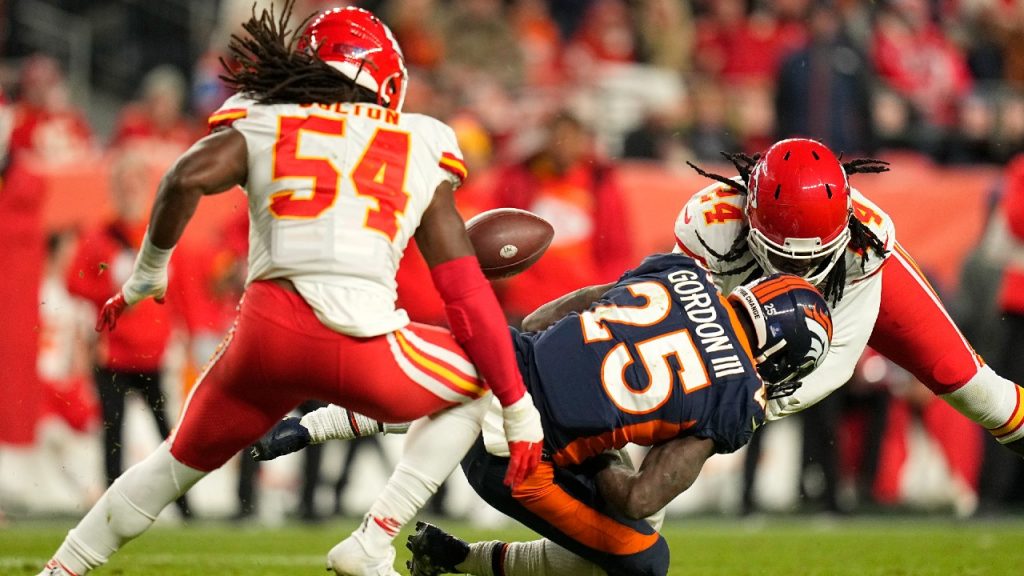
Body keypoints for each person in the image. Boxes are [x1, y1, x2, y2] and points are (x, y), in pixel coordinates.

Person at [37, 4, 543, 576]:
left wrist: (148, 272)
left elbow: (184, 177)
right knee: (479, 384)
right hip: (362, 347)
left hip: (263, 342)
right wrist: (517, 404)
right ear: (387, 80)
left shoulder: (266, 117)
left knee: (168, 466)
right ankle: (372, 541)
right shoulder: (420, 139)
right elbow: (465, 293)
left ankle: (61, 569)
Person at [254, 252, 835, 576]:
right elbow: (638, 498)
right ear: (783, 356)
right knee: (646, 556)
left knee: (486, 383)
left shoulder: (682, 271)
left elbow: (546, 316)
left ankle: (311, 423)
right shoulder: (738, 399)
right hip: (518, 462)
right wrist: (600, 448)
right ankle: (464, 561)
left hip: (499, 361)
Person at [673, 137, 1024, 458]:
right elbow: (683, 335)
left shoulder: (866, 240)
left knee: (976, 389)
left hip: (844, 285)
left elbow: (839, 355)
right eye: (786, 259)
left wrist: (754, 404)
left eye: (812, 258)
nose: (799, 272)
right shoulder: (710, 225)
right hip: (743, 283)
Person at [64, 148, 193, 521]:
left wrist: (186, 335)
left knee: (170, 436)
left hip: (154, 353)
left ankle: (184, 508)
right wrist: (108, 289)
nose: (130, 189)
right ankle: (111, 511)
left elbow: (180, 292)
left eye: (135, 181)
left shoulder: (161, 233)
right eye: (124, 182)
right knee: (113, 436)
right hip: (113, 355)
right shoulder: (100, 237)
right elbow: (75, 282)